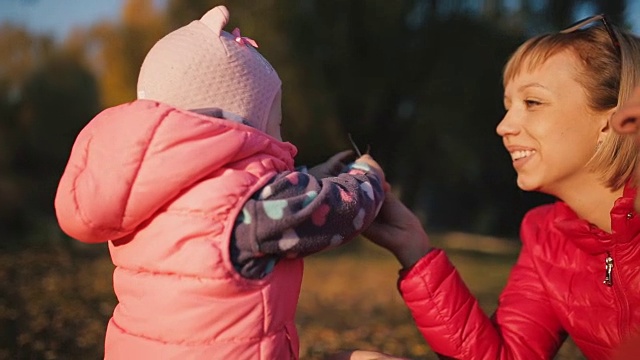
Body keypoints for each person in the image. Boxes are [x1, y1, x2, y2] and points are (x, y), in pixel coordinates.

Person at [54, 5, 386, 359]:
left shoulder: (147, 195)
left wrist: (312, 175)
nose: (282, 140)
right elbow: (337, 210)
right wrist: (367, 177)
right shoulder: (249, 207)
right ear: (239, 129)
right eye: (276, 125)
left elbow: (248, 194)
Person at [360, 14, 640, 360]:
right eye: (508, 107)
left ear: (611, 121)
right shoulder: (549, 238)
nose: (504, 126)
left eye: (532, 103)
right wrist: (413, 249)